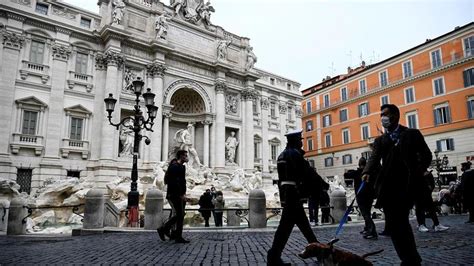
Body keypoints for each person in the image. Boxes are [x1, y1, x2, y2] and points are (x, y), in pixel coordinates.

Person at [362, 104, 432, 265]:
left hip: (407, 185)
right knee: (395, 225)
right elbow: (373, 158)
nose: (382, 118)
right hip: (388, 188)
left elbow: (426, 155)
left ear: (395, 115)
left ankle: (410, 259)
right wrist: (366, 172)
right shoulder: (381, 140)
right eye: (381, 115)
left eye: (385, 114)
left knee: (401, 221)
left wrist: (418, 171)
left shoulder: (412, 134)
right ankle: (408, 258)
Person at [267, 129, 320, 266]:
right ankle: (320, 252)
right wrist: (323, 186)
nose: (302, 143)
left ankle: (274, 256)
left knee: (297, 227)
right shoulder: (295, 154)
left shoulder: (281, 155)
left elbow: (281, 179)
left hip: (287, 195)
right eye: (300, 140)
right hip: (294, 195)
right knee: (289, 229)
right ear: (295, 141)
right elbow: (308, 173)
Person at [157, 150, 190, 244]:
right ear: (181, 156)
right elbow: (174, 182)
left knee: (180, 215)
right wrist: (180, 194)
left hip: (178, 194)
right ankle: (165, 229)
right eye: (185, 155)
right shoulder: (175, 166)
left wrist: (183, 194)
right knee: (180, 215)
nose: (187, 157)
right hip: (175, 195)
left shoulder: (181, 166)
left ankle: (174, 234)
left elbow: (182, 182)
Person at [349, 157, 377, 239]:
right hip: (370, 196)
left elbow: (346, 175)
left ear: (359, 164)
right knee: (367, 213)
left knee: (365, 214)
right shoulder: (370, 172)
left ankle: (372, 232)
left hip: (361, 196)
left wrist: (351, 171)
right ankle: (367, 228)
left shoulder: (357, 172)